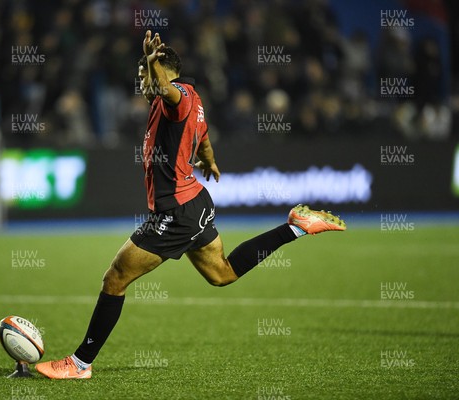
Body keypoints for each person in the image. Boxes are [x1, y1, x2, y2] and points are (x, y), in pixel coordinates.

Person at [36, 30, 346, 379]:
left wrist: (152, 64)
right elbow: (204, 135)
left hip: (176, 212)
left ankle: (79, 364)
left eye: (144, 76)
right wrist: (208, 160)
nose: (141, 83)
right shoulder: (193, 98)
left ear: (164, 73)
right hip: (194, 203)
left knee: (115, 277)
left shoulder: (178, 96)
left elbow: (166, 91)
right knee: (222, 273)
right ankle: (295, 226)